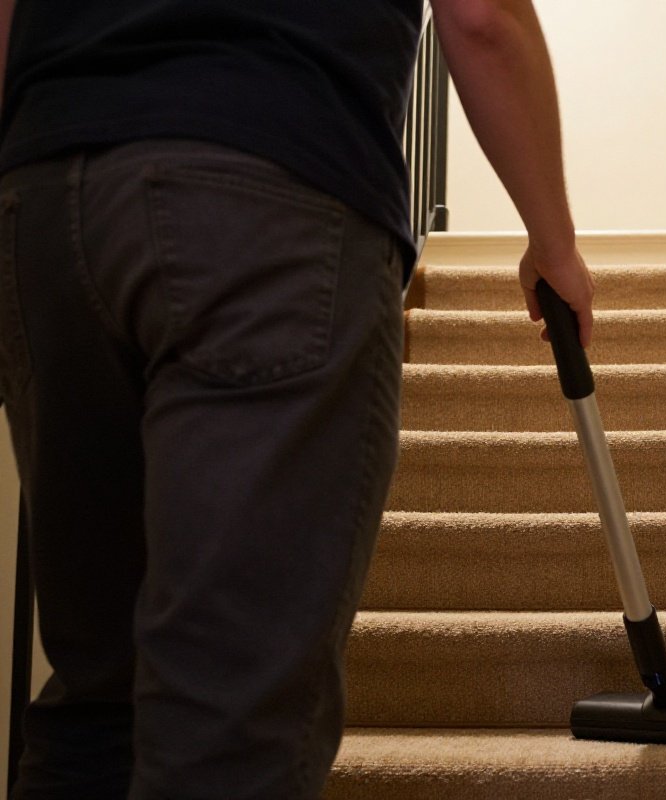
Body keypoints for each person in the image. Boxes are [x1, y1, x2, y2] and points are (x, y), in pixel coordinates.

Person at [0, 0, 595, 796]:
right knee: (227, 710)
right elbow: (482, 15)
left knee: (97, 698)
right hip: (263, 202)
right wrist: (552, 242)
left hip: (42, 202)